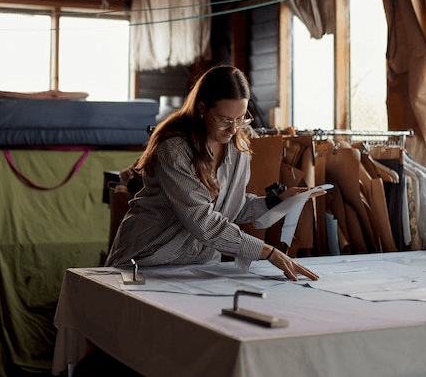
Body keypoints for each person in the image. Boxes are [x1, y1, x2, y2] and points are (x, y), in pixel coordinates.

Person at [106, 65, 320, 281]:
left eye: (240, 119)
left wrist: (276, 201)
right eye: (224, 120)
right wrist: (268, 252)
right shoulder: (174, 150)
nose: (233, 129)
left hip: (199, 266)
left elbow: (232, 207)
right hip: (149, 260)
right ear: (202, 109)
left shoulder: (238, 151)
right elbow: (203, 221)